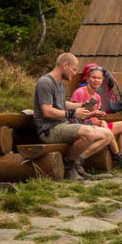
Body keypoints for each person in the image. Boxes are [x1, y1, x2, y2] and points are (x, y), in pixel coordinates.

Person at [33, 52, 116, 180]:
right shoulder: (45, 82)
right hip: (49, 129)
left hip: (62, 125)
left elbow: (62, 104)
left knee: (107, 134)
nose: (75, 73)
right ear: (65, 65)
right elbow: (47, 111)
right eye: (74, 69)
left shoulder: (59, 82)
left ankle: (77, 163)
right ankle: (69, 166)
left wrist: (81, 105)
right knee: (88, 132)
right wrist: (72, 113)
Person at [70, 64, 122, 169]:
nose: (96, 80)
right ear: (88, 79)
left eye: (99, 78)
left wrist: (100, 121)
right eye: (93, 77)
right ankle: (118, 158)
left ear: (102, 80)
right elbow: (74, 116)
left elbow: (94, 118)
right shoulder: (80, 92)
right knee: (106, 130)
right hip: (83, 127)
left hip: (95, 126)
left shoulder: (97, 96)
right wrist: (93, 115)